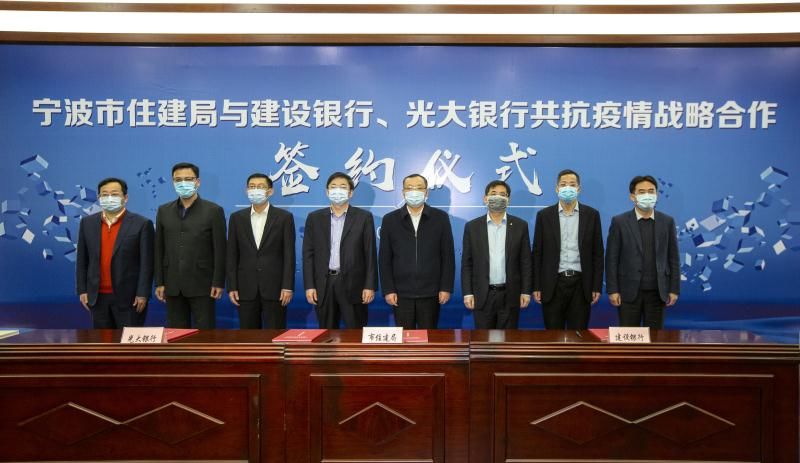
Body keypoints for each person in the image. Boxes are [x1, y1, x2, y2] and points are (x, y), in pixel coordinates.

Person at [154, 162, 226, 329]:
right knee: (176, 334)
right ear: (173, 182)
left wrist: (218, 282)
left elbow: (220, 250)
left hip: (203, 284)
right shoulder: (163, 211)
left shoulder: (213, 211)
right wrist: (159, 282)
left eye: (188, 179)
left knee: (206, 334)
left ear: (197, 182)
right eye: (178, 180)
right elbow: (159, 249)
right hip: (172, 284)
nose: (183, 183)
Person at [302, 172, 377, 328]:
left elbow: (370, 254)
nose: (337, 190)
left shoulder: (363, 217)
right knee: (326, 332)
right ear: (327, 191)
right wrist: (309, 285)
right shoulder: (314, 218)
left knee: (355, 331)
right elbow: (308, 254)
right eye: (333, 187)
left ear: (350, 193)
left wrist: (369, 285)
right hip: (324, 283)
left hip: (354, 284)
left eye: (343, 187)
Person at [76, 177, 154, 328]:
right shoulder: (87, 223)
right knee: (102, 341)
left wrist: (143, 293)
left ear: (125, 198)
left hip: (130, 298)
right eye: (104, 194)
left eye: (114, 194)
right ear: (98, 198)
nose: (109, 198)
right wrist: (82, 290)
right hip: (97, 297)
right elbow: (82, 260)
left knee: (128, 341)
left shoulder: (142, 224)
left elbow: (147, 263)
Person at [379, 173, 455, 329]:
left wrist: (446, 287)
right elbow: (384, 259)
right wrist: (388, 289)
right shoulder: (390, 219)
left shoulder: (440, 218)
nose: (414, 192)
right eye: (409, 188)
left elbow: (448, 256)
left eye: (419, 188)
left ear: (426, 192)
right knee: (404, 338)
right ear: (403, 192)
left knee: (429, 338)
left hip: (431, 293)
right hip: (400, 293)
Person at [532, 169, 604, 330]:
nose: (568, 188)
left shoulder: (592, 215)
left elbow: (598, 254)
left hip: (581, 284)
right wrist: (536, 286)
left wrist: (596, 286)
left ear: (578, 188)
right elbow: (537, 254)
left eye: (572, 184)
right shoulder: (544, 216)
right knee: (553, 335)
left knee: (578, 335)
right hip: (553, 284)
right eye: (563, 184)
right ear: (557, 188)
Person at [605, 174, 680, 329]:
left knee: (655, 339)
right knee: (628, 338)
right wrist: (612, 290)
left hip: (658, 293)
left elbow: (673, 258)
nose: (647, 195)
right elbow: (611, 258)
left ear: (657, 195)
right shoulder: (619, 222)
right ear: (632, 196)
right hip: (628, 292)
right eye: (642, 192)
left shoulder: (667, 221)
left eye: (651, 191)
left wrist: (674, 289)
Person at [226, 173, 295, 329]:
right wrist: (232, 286)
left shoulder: (284, 218)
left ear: (270, 191)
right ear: (246, 190)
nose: (255, 190)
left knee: (275, 333)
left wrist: (287, 286)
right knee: (248, 336)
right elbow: (232, 255)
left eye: (260, 186)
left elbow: (289, 255)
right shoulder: (237, 218)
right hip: (245, 288)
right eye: (252, 187)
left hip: (275, 288)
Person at [462, 180, 532, 329]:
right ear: (485, 198)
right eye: (493, 194)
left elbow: (525, 262)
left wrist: (526, 291)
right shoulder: (472, 227)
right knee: (483, 340)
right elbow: (467, 264)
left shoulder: (520, 225)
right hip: (483, 295)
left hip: (510, 294)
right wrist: (468, 293)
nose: (498, 197)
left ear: (508, 199)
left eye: (502, 194)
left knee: (508, 340)